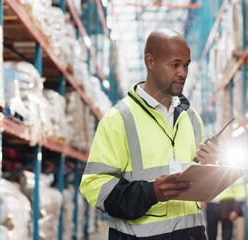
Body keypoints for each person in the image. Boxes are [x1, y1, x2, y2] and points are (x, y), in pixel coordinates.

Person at [80, 28, 218, 239]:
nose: (183, 73)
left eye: (186, 65)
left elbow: (196, 189)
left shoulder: (191, 118)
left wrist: (210, 169)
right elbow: (95, 187)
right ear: (150, 62)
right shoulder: (119, 119)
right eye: (175, 64)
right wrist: (150, 193)